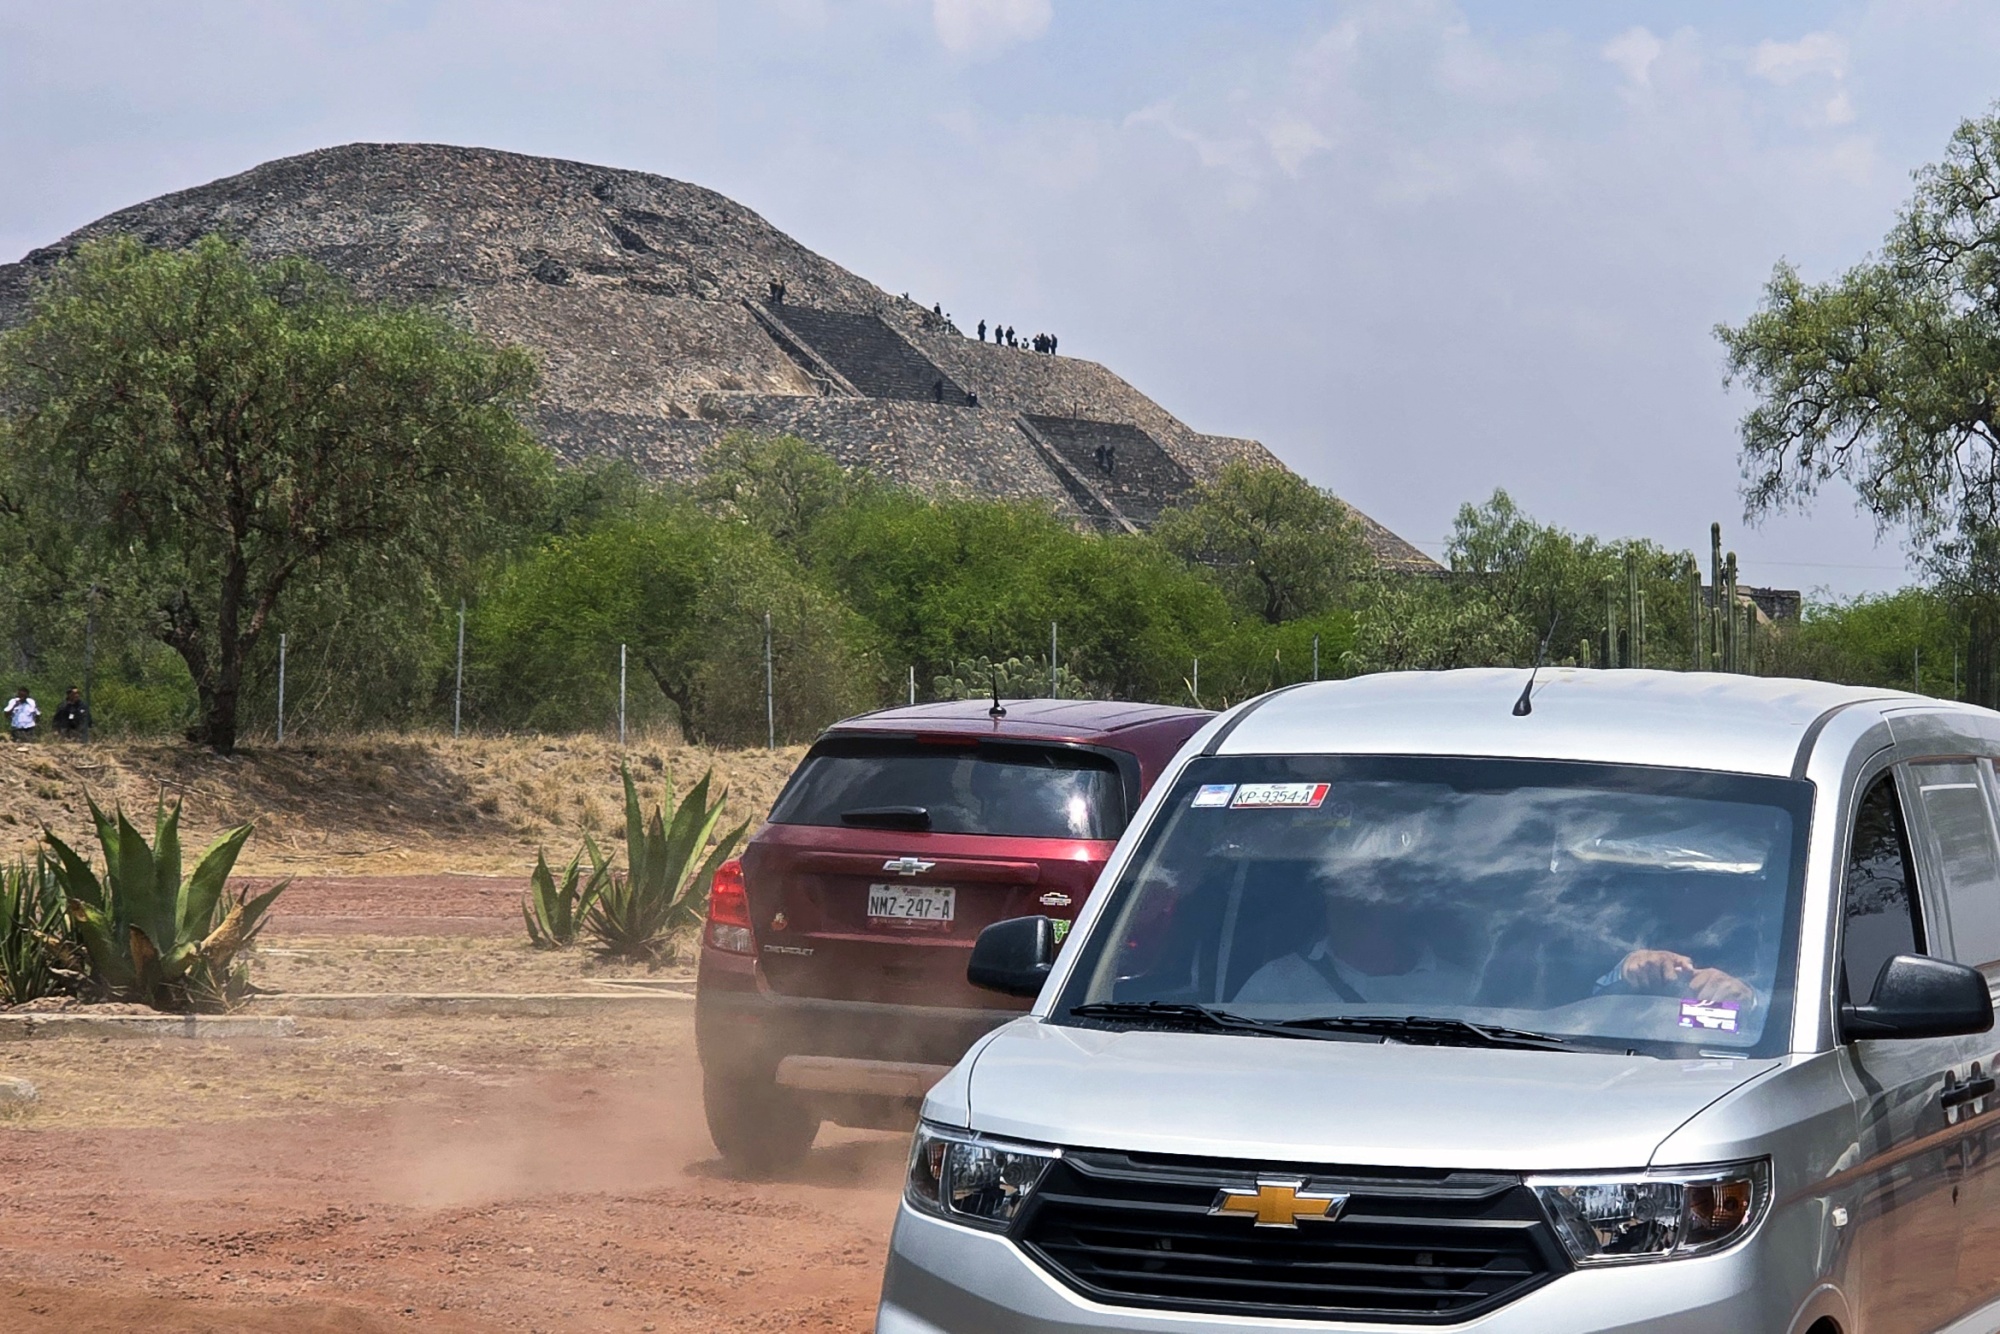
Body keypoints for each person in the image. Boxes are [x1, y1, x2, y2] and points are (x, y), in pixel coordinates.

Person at [1236, 884, 1756, 1010]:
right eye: (1347, 886)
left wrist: (1743, 1000)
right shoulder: (1272, 986)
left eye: (1379, 885)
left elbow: (1560, 1025)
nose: (1363, 899)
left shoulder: (1467, 991)